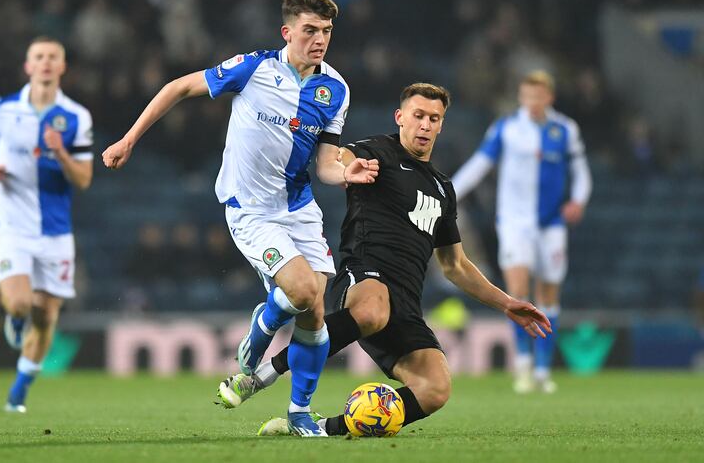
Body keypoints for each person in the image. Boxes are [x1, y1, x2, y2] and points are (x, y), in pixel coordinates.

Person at [102, 0, 378, 437]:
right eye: (310, 30)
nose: (319, 39)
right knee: (303, 290)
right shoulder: (254, 68)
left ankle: (299, 414)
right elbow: (179, 86)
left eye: (326, 31)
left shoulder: (336, 89)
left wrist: (349, 170)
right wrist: (130, 139)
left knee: (313, 311)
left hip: (299, 207)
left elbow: (326, 163)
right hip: (250, 210)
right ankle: (266, 320)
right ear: (287, 31)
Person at [216, 83, 552, 436]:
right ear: (401, 118)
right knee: (374, 309)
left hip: (405, 302)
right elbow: (336, 158)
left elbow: (455, 265)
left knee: (435, 388)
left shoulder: (442, 189)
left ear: (441, 126)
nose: (425, 124)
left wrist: (508, 303)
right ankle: (260, 375)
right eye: (418, 116)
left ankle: (319, 428)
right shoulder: (378, 152)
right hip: (362, 277)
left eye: (433, 118)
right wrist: (345, 168)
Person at [0, 36, 93, 412]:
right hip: (12, 228)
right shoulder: (3, 110)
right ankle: (15, 319)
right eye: (39, 57)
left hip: (55, 233)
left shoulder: (76, 117)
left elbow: (83, 179)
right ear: (28, 66)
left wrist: (60, 154)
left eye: (53, 56)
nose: (46, 62)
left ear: (62, 66)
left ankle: (19, 390)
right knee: (20, 303)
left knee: (46, 315)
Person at [451, 70, 592, 393]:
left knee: (549, 296)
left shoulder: (565, 130)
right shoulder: (507, 128)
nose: (531, 102)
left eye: (537, 96)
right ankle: (524, 367)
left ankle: (543, 369)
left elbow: (581, 172)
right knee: (518, 292)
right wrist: (450, 193)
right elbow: (479, 164)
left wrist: (579, 201)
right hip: (514, 223)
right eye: (526, 96)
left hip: (551, 225)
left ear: (548, 97)